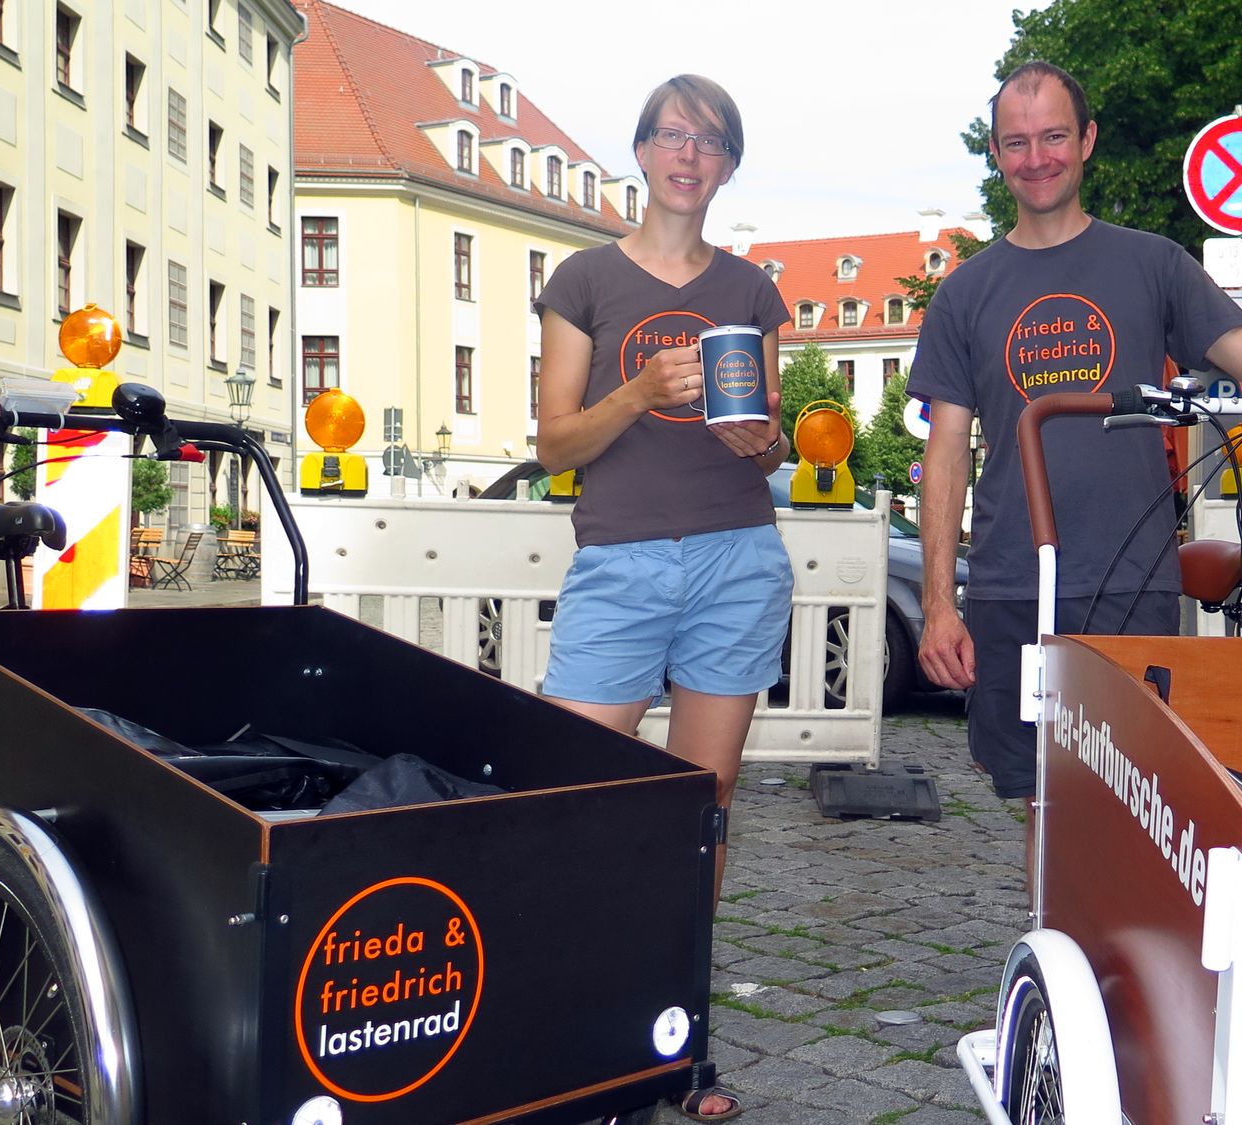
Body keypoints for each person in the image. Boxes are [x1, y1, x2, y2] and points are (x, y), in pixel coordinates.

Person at [907, 62, 1242, 877]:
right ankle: (1061, 972)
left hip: (1133, 583)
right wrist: (938, 603)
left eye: (1054, 137)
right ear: (998, 155)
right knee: (1041, 800)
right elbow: (944, 456)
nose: (1037, 157)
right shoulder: (967, 293)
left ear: (1088, 140)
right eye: (1017, 142)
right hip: (1013, 585)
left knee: (1137, 796)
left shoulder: (1153, 264)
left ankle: (1130, 977)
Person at [533, 73, 788, 1123]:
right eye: (673, 135)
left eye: (712, 142)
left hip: (737, 555)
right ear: (640, 151)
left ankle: (676, 1040)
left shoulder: (749, 291)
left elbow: (767, 434)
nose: (690, 155)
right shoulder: (584, 279)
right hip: (622, 562)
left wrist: (760, 439)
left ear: (727, 166)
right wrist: (639, 391)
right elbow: (554, 442)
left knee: (700, 813)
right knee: (580, 802)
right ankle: (566, 1031)